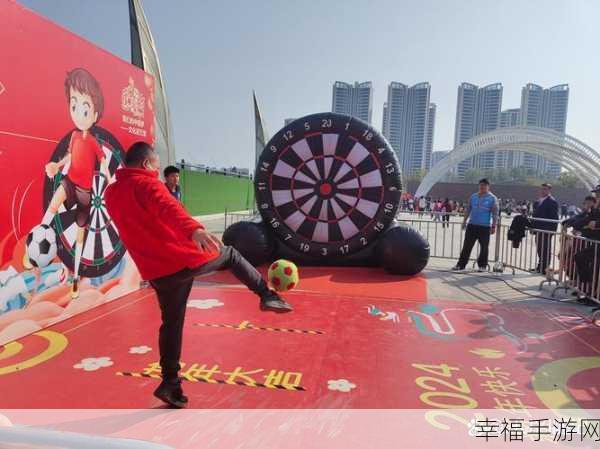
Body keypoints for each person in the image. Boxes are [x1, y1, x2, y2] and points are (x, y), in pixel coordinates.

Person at [105, 142, 292, 408]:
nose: (159, 171)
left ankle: (170, 383)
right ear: (147, 165)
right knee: (230, 255)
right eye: (157, 165)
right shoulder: (148, 184)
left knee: (171, 323)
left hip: (156, 271)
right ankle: (266, 294)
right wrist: (194, 230)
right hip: (179, 258)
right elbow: (169, 208)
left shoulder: (112, 193)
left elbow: (150, 218)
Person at [40, 68, 113, 299]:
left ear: (94, 114)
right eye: (74, 106)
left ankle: (76, 275)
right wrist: (57, 166)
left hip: (85, 192)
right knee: (56, 199)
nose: (78, 113)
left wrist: (109, 180)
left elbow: (102, 162)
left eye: (84, 108)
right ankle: (39, 233)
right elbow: (70, 157)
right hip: (71, 182)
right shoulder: (73, 137)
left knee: (80, 235)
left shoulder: (92, 142)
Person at [452, 179, 499, 272]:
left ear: (488, 187)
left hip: (484, 227)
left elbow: (495, 214)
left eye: (484, 185)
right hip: (472, 225)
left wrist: (494, 226)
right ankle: (461, 265)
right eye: (481, 185)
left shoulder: (492, 198)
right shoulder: (473, 196)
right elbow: (468, 210)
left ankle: (482, 266)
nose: (482, 187)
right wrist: (464, 221)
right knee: (467, 246)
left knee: (484, 247)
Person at [530, 183, 559, 274]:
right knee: (540, 248)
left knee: (545, 249)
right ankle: (540, 267)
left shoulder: (552, 202)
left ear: (549, 190)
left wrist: (551, 231)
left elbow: (555, 217)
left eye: (545, 189)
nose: (543, 191)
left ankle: (544, 268)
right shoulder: (538, 201)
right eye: (542, 189)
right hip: (538, 229)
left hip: (546, 230)